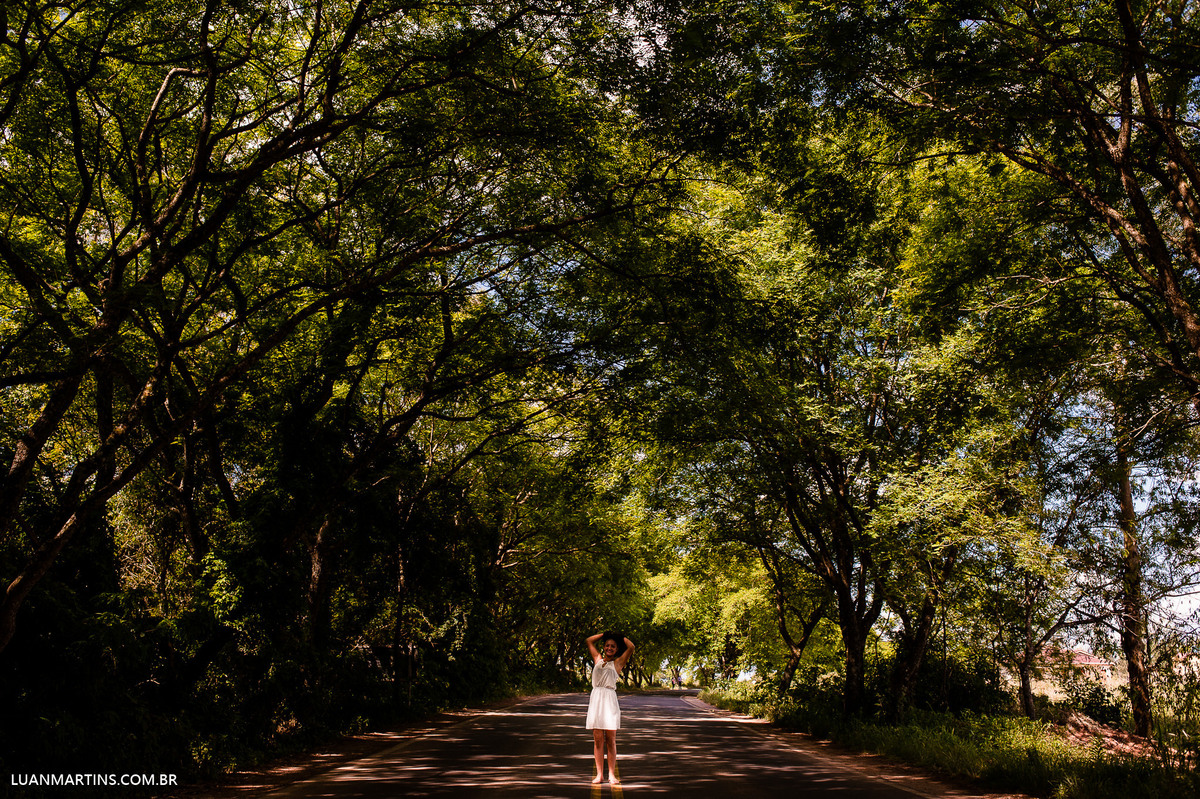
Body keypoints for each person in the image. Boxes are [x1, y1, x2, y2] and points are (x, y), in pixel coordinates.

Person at [585, 631, 634, 785]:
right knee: (598, 739)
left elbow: (631, 647)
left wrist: (620, 637)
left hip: (609, 700)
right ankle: (599, 775)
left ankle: (611, 775)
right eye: (607, 645)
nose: (609, 648)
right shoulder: (597, 659)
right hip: (596, 700)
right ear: (604, 647)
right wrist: (604, 634)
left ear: (616, 648)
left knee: (611, 740)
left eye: (613, 646)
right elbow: (589, 640)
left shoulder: (618, 663)